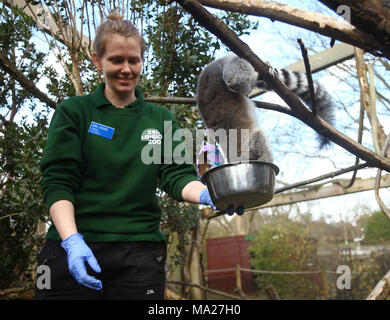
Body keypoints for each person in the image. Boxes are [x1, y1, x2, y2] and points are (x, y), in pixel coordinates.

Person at [34, 11, 216, 300]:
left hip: (139, 254)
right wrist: (71, 240)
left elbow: (177, 176)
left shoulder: (161, 119)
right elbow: (58, 181)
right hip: (70, 245)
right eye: (116, 60)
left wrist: (211, 193)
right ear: (97, 60)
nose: (127, 69)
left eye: (134, 60)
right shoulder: (74, 112)